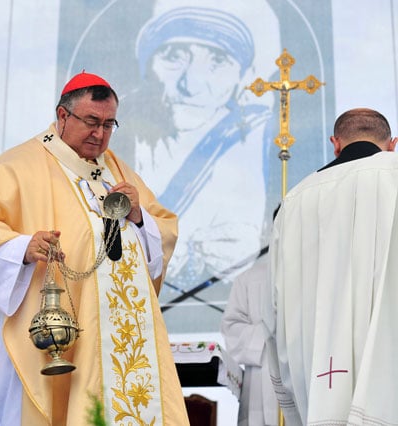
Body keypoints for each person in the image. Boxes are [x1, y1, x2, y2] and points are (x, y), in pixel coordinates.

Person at [0, 72, 189, 425]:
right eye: (92, 122)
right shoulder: (19, 164)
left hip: (111, 337)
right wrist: (22, 247)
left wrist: (140, 216)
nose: (100, 134)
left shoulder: (115, 168)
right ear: (63, 116)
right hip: (41, 330)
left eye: (110, 124)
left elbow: (164, 230)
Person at [116, 0, 282, 296]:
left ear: (240, 77)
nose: (191, 84)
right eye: (174, 56)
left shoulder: (259, 141)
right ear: (148, 65)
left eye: (218, 60)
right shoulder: (116, 137)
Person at [263, 108, 398, 424]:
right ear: (393, 144)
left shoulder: (294, 201)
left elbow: (275, 310)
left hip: (320, 385)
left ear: (335, 144)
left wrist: (295, 404)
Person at [220, 209, 280, 426]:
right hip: (260, 382)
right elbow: (231, 328)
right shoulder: (249, 279)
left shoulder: (318, 277)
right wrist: (268, 335)